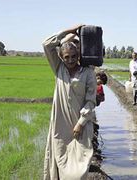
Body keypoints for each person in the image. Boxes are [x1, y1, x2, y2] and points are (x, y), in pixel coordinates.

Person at [42, 25, 97, 179]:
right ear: (61, 57)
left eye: (73, 56)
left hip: (81, 127)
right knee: (61, 165)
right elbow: (47, 44)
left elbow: (91, 101)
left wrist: (80, 123)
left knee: (79, 170)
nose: (70, 60)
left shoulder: (88, 73)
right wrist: (69, 31)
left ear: (78, 55)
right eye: (66, 57)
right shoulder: (59, 69)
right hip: (61, 128)